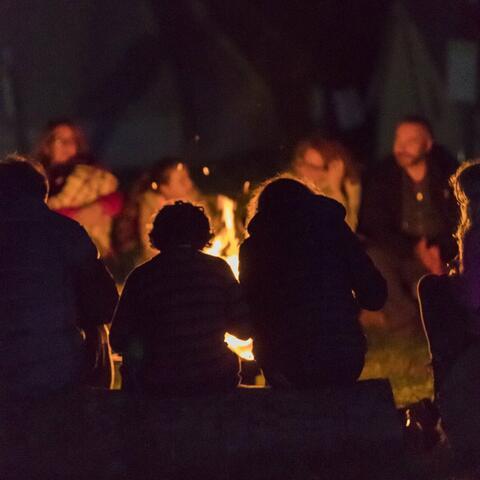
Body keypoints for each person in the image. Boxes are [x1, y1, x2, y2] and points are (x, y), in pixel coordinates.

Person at [239, 177, 387, 388]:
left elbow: (248, 313)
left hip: (285, 367)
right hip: (343, 360)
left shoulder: (253, 248)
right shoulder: (335, 231)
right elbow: (375, 296)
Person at [0, 155, 118, 400]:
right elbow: (106, 305)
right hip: (55, 374)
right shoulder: (65, 232)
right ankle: (94, 409)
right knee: (98, 331)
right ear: (43, 193)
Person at [110, 201, 250, 395]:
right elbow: (243, 330)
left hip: (160, 382)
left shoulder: (142, 277)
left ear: (158, 235)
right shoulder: (218, 270)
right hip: (215, 378)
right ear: (203, 234)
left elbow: (118, 339)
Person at [359, 115, 458, 331]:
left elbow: (459, 218)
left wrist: (439, 248)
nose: (401, 147)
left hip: (443, 252)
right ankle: (406, 322)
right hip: (402, 253)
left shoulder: (447, 173)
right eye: (398, 140)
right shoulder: (382, 176)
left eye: (410, 141)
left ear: (427, 144)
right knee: (374, 258)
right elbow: (375, 225)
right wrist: (415, 248)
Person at [418, 160, 480, 399]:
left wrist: (453, 279)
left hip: (475, 324)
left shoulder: (474, 234)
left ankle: (443, 380)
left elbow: (471, 298)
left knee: (431, 287)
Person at [33, 118, 122, 260]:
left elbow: (115, 199)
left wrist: (102, 206)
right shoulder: (35, 178)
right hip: (51, 255)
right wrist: (75, 216)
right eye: (60, 140)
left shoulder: (93, 174)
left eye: (71, 140)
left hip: (92, 254)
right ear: (47, 146)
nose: (66, 145)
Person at [291, 136, 361, 231]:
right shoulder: (289, 187)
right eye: (303, 164)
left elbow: (345, 232)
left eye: (313, 168)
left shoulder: (346, 191)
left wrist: (335, 190)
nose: (305, 171)